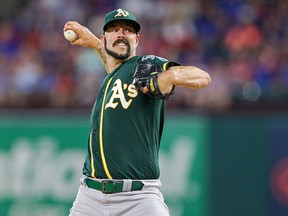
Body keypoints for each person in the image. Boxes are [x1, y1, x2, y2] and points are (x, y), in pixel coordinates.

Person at [64, 8, 211, 216]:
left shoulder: (146, 64)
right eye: (115, 29)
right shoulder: (114, 75)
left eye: (128, 30)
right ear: (105, 38)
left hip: (138, 198)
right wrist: (95, 43)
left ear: (137, 39)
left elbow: (203, 77)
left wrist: (169, 76)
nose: (122, 33)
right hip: (89, 198)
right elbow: (114, 65)